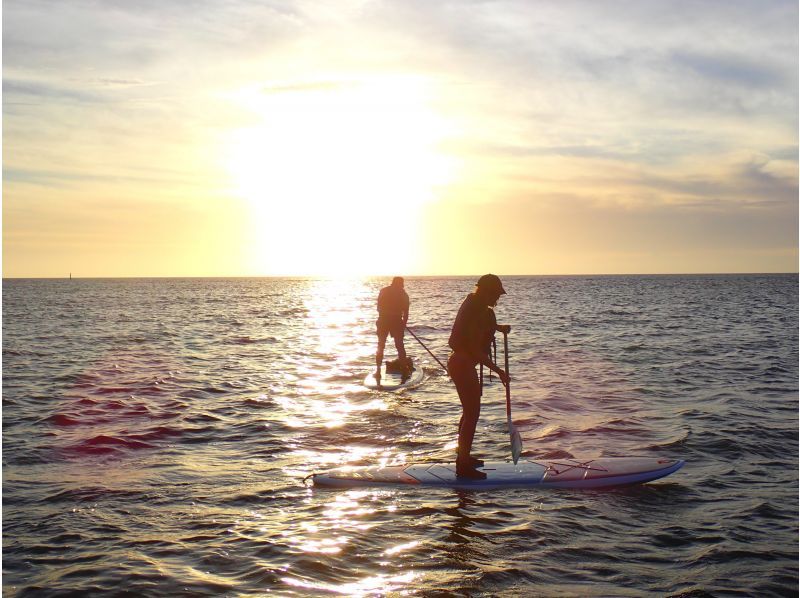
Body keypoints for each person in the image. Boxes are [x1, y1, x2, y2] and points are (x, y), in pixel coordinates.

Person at [448, 274, 511, 479]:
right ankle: (463, 465)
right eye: (495, 294)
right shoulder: (477, 311)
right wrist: (499, 371)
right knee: (472, 413)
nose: (497, 299)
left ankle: (463, 456)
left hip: (461, 364)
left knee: (469, 413)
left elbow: (475, 331)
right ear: (486, 292)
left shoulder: (474, 306)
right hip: (463, 365)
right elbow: (476, 350)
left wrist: (498, 328)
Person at [375, 277, 410, 382]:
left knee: (381, 345)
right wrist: (403, 324)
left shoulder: (383, 291)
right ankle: (404, 370)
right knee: (399, 345)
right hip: (395, 321)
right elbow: (406, 312)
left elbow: (378, 308)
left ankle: (378, 371)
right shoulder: (404, 295)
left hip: (383, 321)